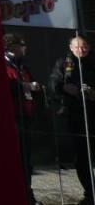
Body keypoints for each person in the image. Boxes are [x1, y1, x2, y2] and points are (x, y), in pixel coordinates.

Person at [51, 35, 95, 204]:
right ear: (70, 47)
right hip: (75, 114)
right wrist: (64, 87)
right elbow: (53, 83)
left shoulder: (93, 61)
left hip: (93, 112)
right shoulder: (64, 63)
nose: (80, 50)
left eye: (83, 47)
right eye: (77, 47)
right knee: (82, 156)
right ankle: (90, 192)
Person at [4, 33, 40, 203]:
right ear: (12, 47)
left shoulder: (23, 66)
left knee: (27, 160)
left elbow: (32, 83)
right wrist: (22, 86)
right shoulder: (3, 64)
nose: (25, 48)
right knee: (16, 159)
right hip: (12, 118)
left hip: (26, 115)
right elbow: (3, 86)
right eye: (22, 44)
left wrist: (36, 87)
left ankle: (27, 193)